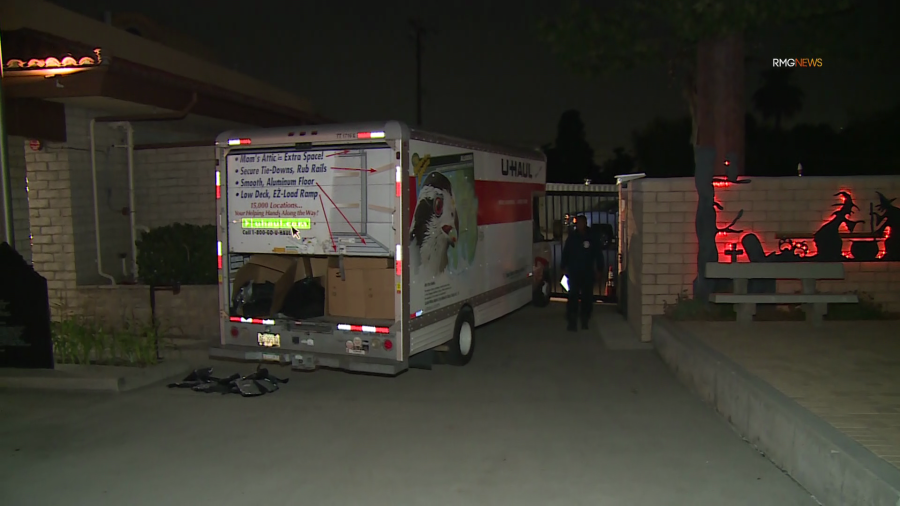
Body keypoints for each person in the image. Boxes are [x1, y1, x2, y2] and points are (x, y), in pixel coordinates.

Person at [560, 215, 604, 331]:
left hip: (587, 272)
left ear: (585, 224)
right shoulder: (573, 237)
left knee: (587, 297)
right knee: (573, 296)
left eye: (581, 223)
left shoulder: (592, 237)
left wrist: (599, 269)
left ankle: (585, 319)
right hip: (574, 272)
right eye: (578, 223)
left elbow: (598, 254)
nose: (579, 225)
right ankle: (572, 321)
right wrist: (563, 266)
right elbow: (566, 252)